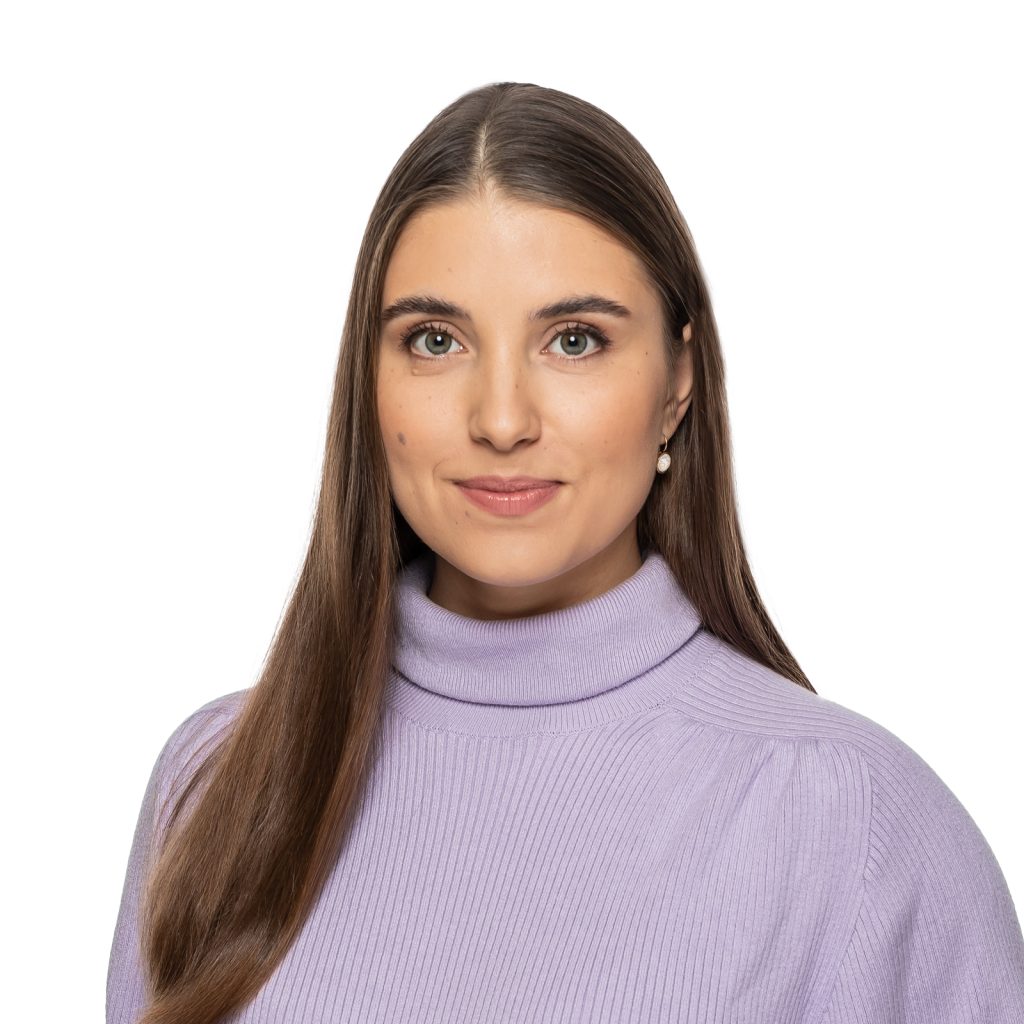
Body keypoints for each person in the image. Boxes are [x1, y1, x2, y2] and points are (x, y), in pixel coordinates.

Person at [106, 82, 1024, 1024]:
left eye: (575, 340)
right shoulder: (219, 781)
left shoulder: (856, 823)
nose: (502, 419)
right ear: (368, 380)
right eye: (435, 340)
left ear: (677, 382)